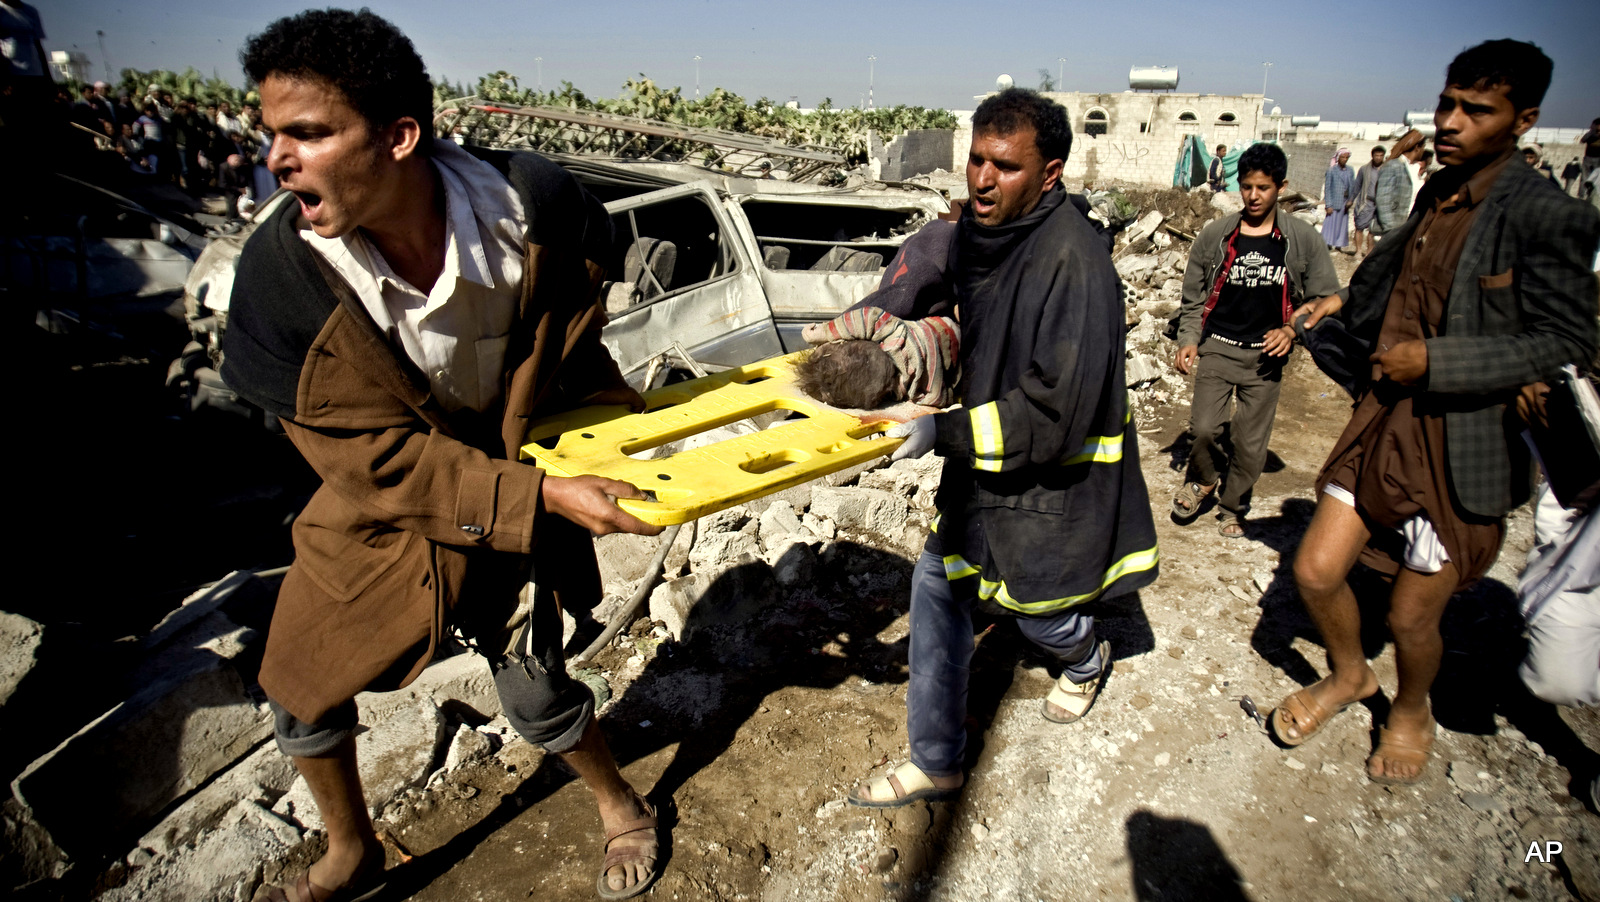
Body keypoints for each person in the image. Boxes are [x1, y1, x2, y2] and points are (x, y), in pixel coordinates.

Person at [220, 10, 666, 900]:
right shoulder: (284, 282)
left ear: (398, 138)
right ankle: (350, 850)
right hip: (385, 499)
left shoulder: (531, 213)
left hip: (519, 461)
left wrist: (605, 405)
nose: (278, 158)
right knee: (302, 685)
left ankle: (621, 804)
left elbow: (570, 322)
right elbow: (370, 460)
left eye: (308, 132)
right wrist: (539, 498)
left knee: (536, 691)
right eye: (271, 134)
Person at [1271, 39, 1599, 785]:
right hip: (1386, 422)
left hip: (1465, 441)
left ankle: (1411, 708)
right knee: (1318, 572)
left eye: (1475, 110)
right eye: (1448, 102)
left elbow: (1567, 338)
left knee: (1414, 618)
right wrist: (1340, 302)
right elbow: (1395, 283)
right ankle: (1350, 674)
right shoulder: (1436, 190)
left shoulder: (1546, 214)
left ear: (1525, 119)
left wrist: (1439, 361)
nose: (1450, 121)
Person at [845, 88, 1158, 807]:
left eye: (1005, 167)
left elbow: (1056, 416)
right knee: (938, 589)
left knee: (1038, 611)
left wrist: (938, 430)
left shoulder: (1075, 267)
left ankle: (1085, 655)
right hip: (985, 471)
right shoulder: (985, 235)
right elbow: (951, 296)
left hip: (1053, 485)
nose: (982, 179)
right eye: (977, 160)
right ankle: (937, 760)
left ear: (1050, 175)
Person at [1170, 143, 1343, 538]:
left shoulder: (1299, 239)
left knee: (1249, 445)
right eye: (1246, 186)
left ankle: (1232, 507)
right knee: (1204, 430)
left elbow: (1322, 298)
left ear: (1280, 187)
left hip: (1265, 358)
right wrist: (1189, 338)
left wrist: (1290, 329)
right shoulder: (1216, 235)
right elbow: (1194, 296)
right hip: (1217, 347)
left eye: (1262, 188)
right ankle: (1204, 481)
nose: (1252, 196)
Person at [797, 305, 961, 408]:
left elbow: (938, 399)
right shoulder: (894, 337)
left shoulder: (911, 390)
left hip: (958, 365)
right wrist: (825, 332)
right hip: (946, 328)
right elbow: (867, 316)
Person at [1373, 129, 1425, 240]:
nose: (1423, 151)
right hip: (1393, 231)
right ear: (1417, 147)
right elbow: (1383, 200)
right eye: (1423, 148)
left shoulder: (1414, 169)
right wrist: (1391, 229)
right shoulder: (1393, 166)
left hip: (1407, 228)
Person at [1350, 145, 1386, 255]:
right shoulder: (1364, 169)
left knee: (1373, 230)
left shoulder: (1387, 169)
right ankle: (1358, 251)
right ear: (1372, 156)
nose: (1378, 158)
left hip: (1380, 204)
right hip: (1366, 202)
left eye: (1381, 155)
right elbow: (1357, 185)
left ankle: (1369, 252)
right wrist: (1351, 199)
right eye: (1376, 155)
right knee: (1360, 227)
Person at [1321, 147, 1354, 250]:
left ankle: (1339, 244)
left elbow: (1352, 186)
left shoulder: (1350, 170)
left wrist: (1350, 200)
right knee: (1331, 224)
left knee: (1342, 224)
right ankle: (1328, 244)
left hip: (1345, 201)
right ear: (1338, 158)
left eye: (1346, 157)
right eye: (1342, 157)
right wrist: (1328, 205)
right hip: (1334, 201)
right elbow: (1328, 188)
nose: (1344, 159)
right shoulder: (1331, 171)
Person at [1580, 117, 1599, 201]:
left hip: (1596, 159)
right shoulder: (1590, 134)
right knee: (1586, 178)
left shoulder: (1591, 133)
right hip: (1589, 158)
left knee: (1592, 178)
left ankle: (1587, 195)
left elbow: (1583, 140)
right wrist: (1592, 132)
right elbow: (1583, 140)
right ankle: (1584, 195)